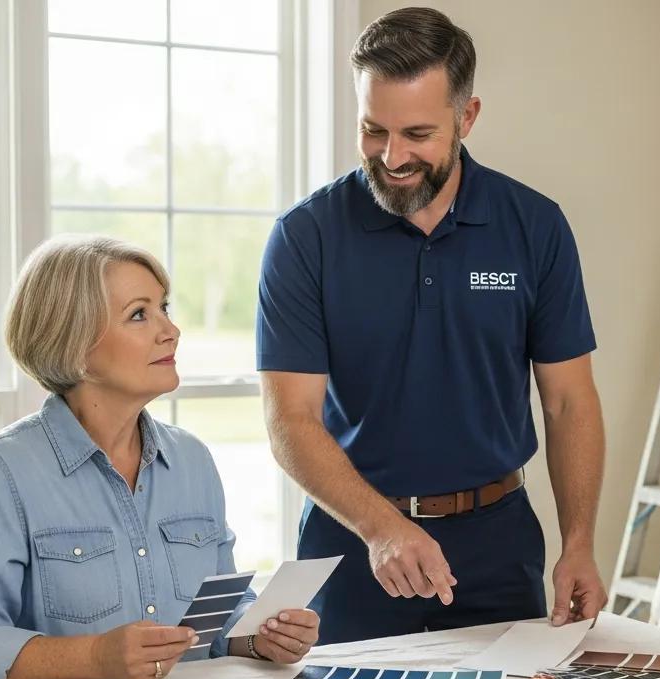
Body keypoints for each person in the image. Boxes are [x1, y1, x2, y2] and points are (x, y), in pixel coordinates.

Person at [257, 7, 607, 645]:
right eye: (373, 131)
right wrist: (381, 528)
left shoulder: (535, 226)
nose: (391, 157)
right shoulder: (305, 237)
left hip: (497, 543)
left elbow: (568, 401)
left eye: (417, 133)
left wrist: (579, 542)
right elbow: (291, 422)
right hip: (353, 542)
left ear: (466, 117)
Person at [0, 235, 319, 679]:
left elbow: (212, 619)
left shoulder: (192, 461)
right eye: (138, 314)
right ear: (75, 345)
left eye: (164, 308)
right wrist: (96, 657)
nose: (170, 331)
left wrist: (259, 638)